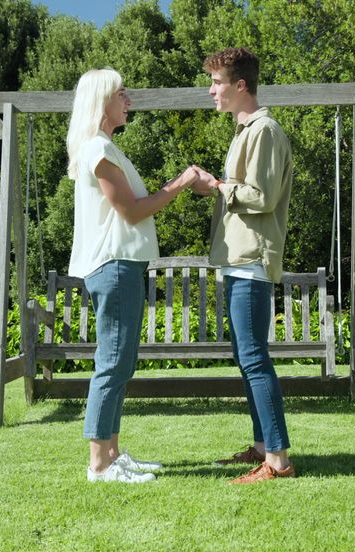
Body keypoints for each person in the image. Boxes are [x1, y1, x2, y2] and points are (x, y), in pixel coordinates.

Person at [66, 68, 198, 483]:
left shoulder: (103, 146)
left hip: (121, 265)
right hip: (114, 265)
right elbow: (132, 210)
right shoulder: (97, 149)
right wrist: (180, 184)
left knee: (120, 362)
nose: (129, 100)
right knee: (112, 363)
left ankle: (113, 453)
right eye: (122, 94)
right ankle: (99, 464)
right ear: (102, 101)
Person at [190, 48, 296, 484]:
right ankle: (260, 447)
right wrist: (218, 187)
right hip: (238, 260)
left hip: (252, 259)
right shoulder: (244, 131)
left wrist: (216, 186)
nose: (210, 90)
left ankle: (279, 461)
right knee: (245, 355)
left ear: (240, 85)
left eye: (216, 82)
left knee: (254, 358)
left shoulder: (264, 130)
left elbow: (263, 196)